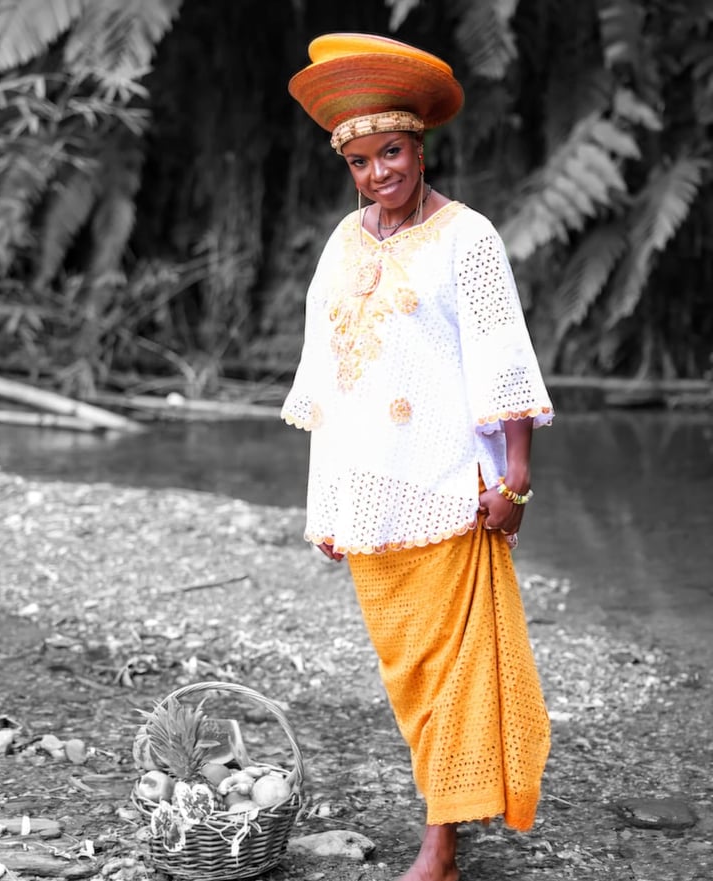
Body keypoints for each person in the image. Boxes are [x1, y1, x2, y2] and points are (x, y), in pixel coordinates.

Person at [282, 33, 554, 881]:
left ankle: (440, 845)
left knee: (453, 673)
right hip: (370, 490)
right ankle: (451, 809)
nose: (378, 174)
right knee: (408, 674)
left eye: (391, 152)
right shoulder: (343, 242)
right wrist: (326, 504)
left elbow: (502, 356)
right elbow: (328, 379)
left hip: (448, 482)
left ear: (420, 146)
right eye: (360, 161)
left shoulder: (469, 238)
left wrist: (516, 476)